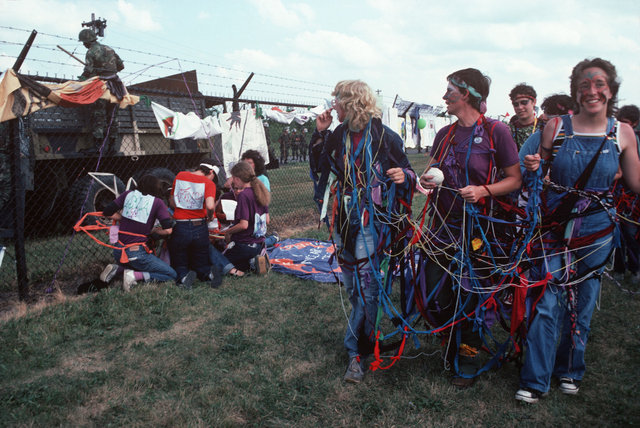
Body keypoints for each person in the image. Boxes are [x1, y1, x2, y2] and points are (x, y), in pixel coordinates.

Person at [516, 58, 640, 403]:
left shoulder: (622, 133)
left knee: (582, 304)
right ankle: (535, 379)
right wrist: (534, 167)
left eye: (599, 84)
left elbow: (635, 182)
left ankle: (570, 369)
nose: (592, 91)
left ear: (611, 89)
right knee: (546, 302)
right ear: (576, 91)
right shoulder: (556, 127)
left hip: (597, 234)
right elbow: (535, 173)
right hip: (556, 229)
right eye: (584, 86)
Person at [418, 68, 521, 388]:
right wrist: (426, 179)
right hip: (443, 229)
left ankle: (466, 356)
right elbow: (432, 170)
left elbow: (515, 179)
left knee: (474, 295)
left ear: (467, 94)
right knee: (434, 290)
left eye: (449, 90)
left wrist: (483, 191)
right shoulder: (444, 135)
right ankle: (450, 338)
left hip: (482, 233)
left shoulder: (497, 132)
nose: (444, 96)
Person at [310, 80, 416, 384]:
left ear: (351, 103)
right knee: (354, 287)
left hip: (374, 220)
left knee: (367, 285)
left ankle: (355, 349)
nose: (333, 107)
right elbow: (320, 168)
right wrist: (320, 133)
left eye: (337, 101)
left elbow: (409, 172)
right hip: (344, 219)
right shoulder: (338, 136)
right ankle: (368, 335)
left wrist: (400, 175)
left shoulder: (385, 137)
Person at [101, 174, 176, 291]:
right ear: (156, 188)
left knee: (139, 264)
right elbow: (168, 230)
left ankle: (118, 269)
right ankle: (135, 276)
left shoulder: (127, 195)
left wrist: (123, 218)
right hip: (136, 254)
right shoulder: (157, 202)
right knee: (171, 275)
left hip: (118, 250)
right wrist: (155, 230)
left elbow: (107, 212)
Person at [169, 159, 220, 288]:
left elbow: (172, 202)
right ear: (211, 172)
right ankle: (207, 275)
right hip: (199, 226)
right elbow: (209, 205)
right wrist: (209, 217)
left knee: (179, 255)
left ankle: (183, 277)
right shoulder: (208, 183)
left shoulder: (180, 176)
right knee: (201, 254)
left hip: (181, 225)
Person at [78, 28, 125, 154]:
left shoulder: (90, 52)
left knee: (99, 114)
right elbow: (121, 66)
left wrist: (82, 79)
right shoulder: (109, 49)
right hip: (115, 86)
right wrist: (109, 71)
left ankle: (97, 147)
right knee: (113, 117)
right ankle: (112, 147)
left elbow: (88, 71)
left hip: (101, 87)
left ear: (86, 42)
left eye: (83, 42)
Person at [222, 161, 271, 273]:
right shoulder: (260, 192)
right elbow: (267, 220)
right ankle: (254, 261)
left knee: (220, 260)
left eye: (233, 178)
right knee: (242, 264)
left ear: (237, 178)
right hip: (259, 244)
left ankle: (251, 262)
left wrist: (228, 232)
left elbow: (243, 225)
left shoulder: (244, 195)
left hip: (244, 244)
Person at [611, 104, 640, 281]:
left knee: (631, 232)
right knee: (616, 232)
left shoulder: (635, 141)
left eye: (627, 123)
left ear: (635, 123)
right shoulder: (614, 139)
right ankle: (619, 269)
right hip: (616, 193)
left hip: (631, 197)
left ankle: (636, 269)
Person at [508, 83, 539, 150]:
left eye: (524, 102)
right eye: (516, 104)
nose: (520, 107)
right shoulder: (508, 130)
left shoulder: (544, 127)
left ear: (534, 102)